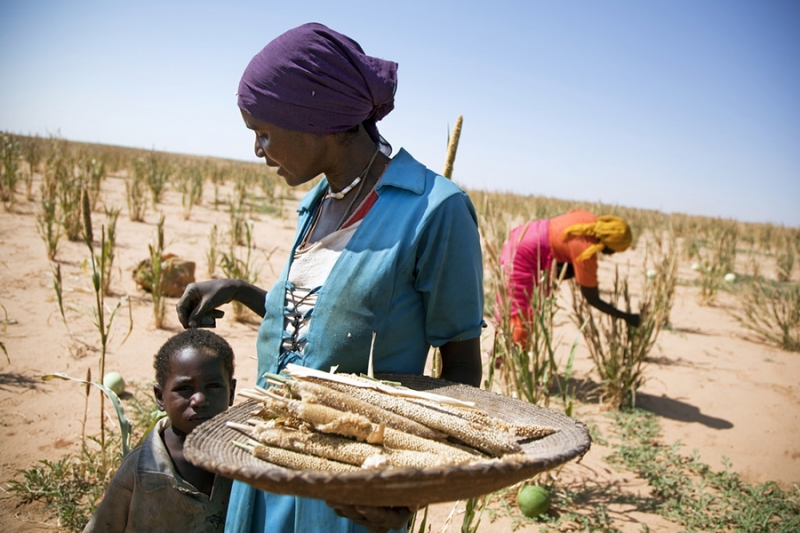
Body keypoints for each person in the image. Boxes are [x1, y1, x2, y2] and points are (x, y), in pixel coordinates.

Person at [175, 22, 484, 533]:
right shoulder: (319, 203)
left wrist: (408, 487)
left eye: (265, 132)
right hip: (265, 457)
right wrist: (241, 291)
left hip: (348, 490)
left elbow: (461, 364)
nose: (258, 149)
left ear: (316, 119)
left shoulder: (435, 210)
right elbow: (328, 321)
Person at [83, 329, 237, 532]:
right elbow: (104, 525)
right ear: (159, 397)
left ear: (232, 392)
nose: (199, 399)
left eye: (213, 386)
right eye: (184, 388)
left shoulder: (244, 458)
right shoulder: (140, 468)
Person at [500, 209, 640, 345]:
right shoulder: (586, 251)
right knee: (520, 309)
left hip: (523, 233)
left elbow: (558, 233)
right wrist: (627, 317)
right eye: (614, 250)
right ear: (611, 245)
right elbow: (592, 299)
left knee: (511, 302)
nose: (611, 254)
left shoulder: (585, 216)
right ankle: (510, 354)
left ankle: (505, 351)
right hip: (525, 253)